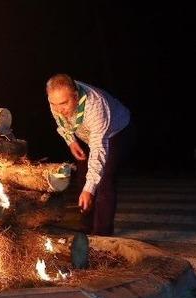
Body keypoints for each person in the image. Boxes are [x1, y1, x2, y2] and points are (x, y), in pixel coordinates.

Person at [46, 74, 132, 236]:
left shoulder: (95, 106)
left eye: (64, 103)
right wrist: (71, 141)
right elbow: (61, 122)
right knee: (83, 178)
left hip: (115, 132)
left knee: (103, 180)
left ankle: (102, 235)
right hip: (86, 134)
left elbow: (98, 149)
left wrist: (90, 189)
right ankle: (86, 229)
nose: (59, 109)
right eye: (53, 104)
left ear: (76, 96)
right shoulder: (56, 98)